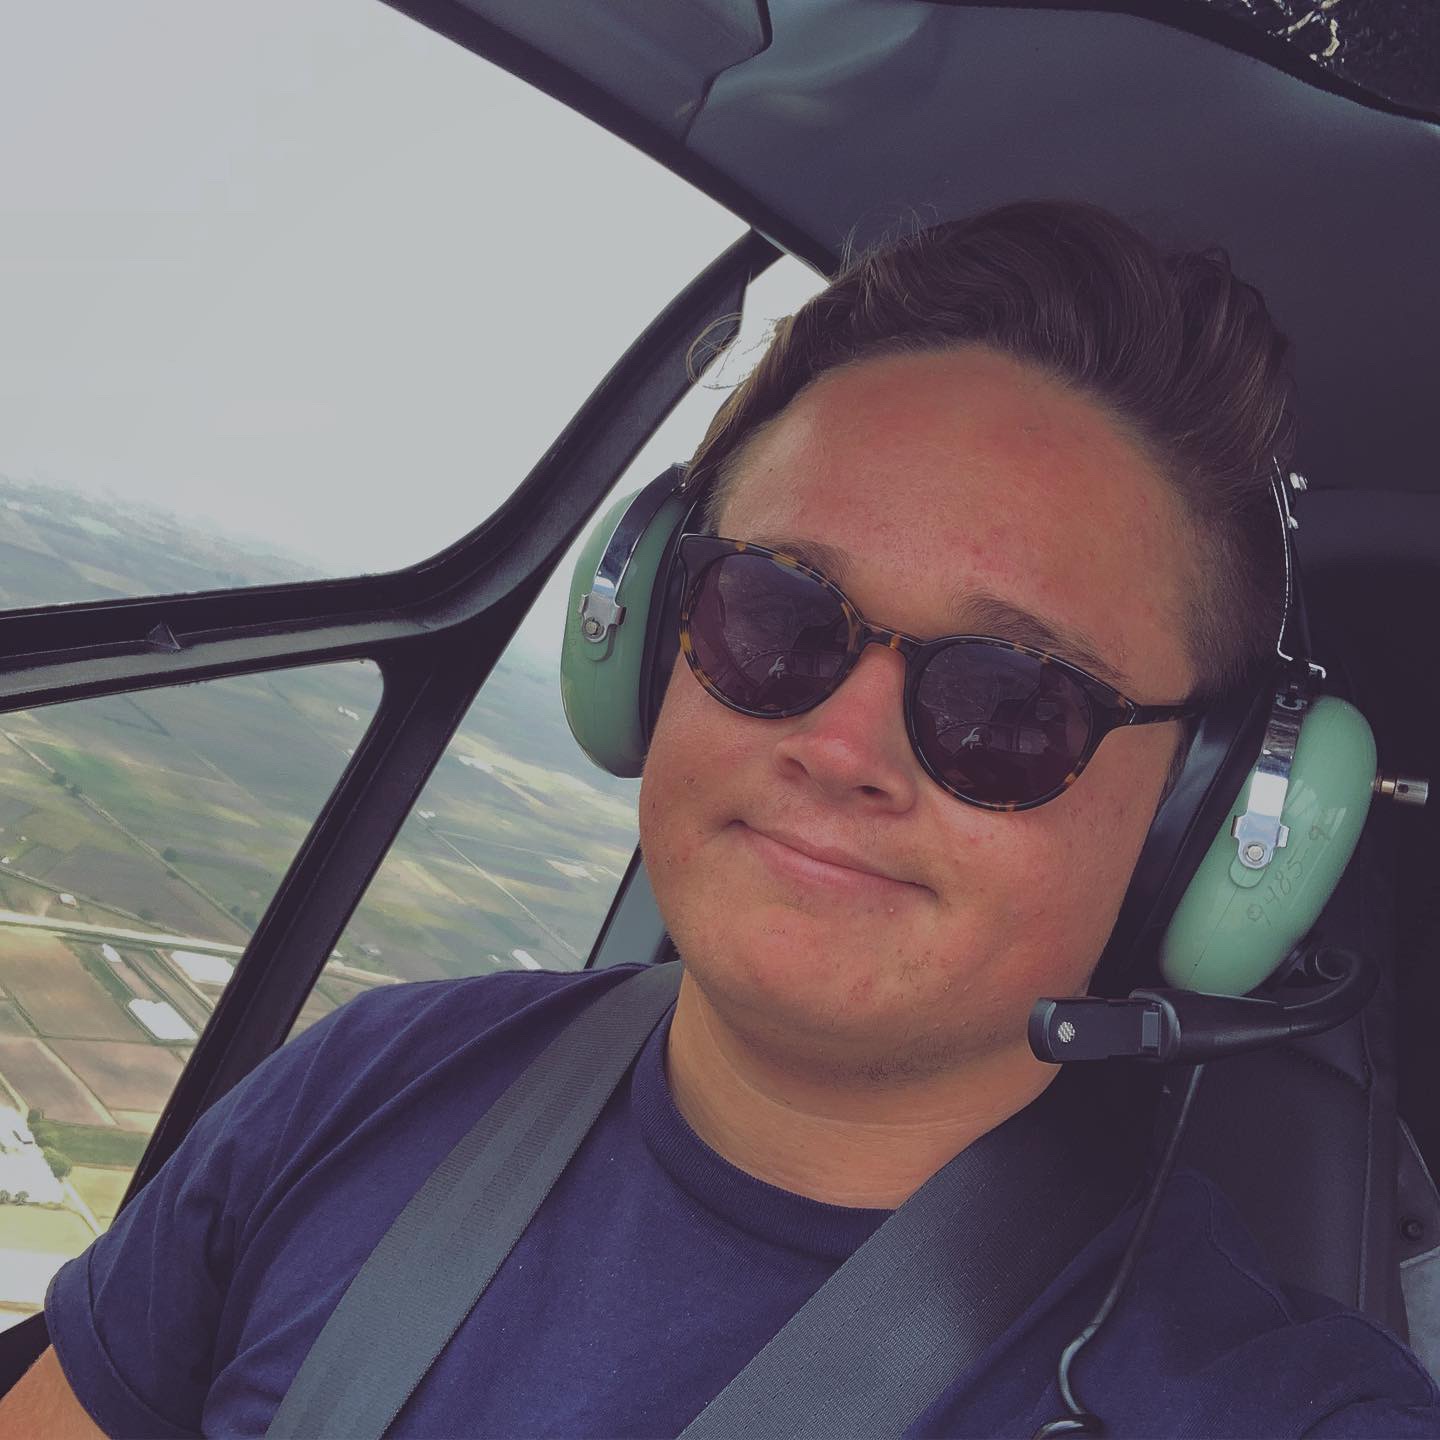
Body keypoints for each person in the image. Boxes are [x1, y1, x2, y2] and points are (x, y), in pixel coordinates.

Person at [3, 200, 1438, 1439]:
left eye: (1012, 702)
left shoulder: (1263, 1403)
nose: (841, 744)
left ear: (1206, 820)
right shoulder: (371, 1083)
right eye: (777, 617)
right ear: (646, 637)